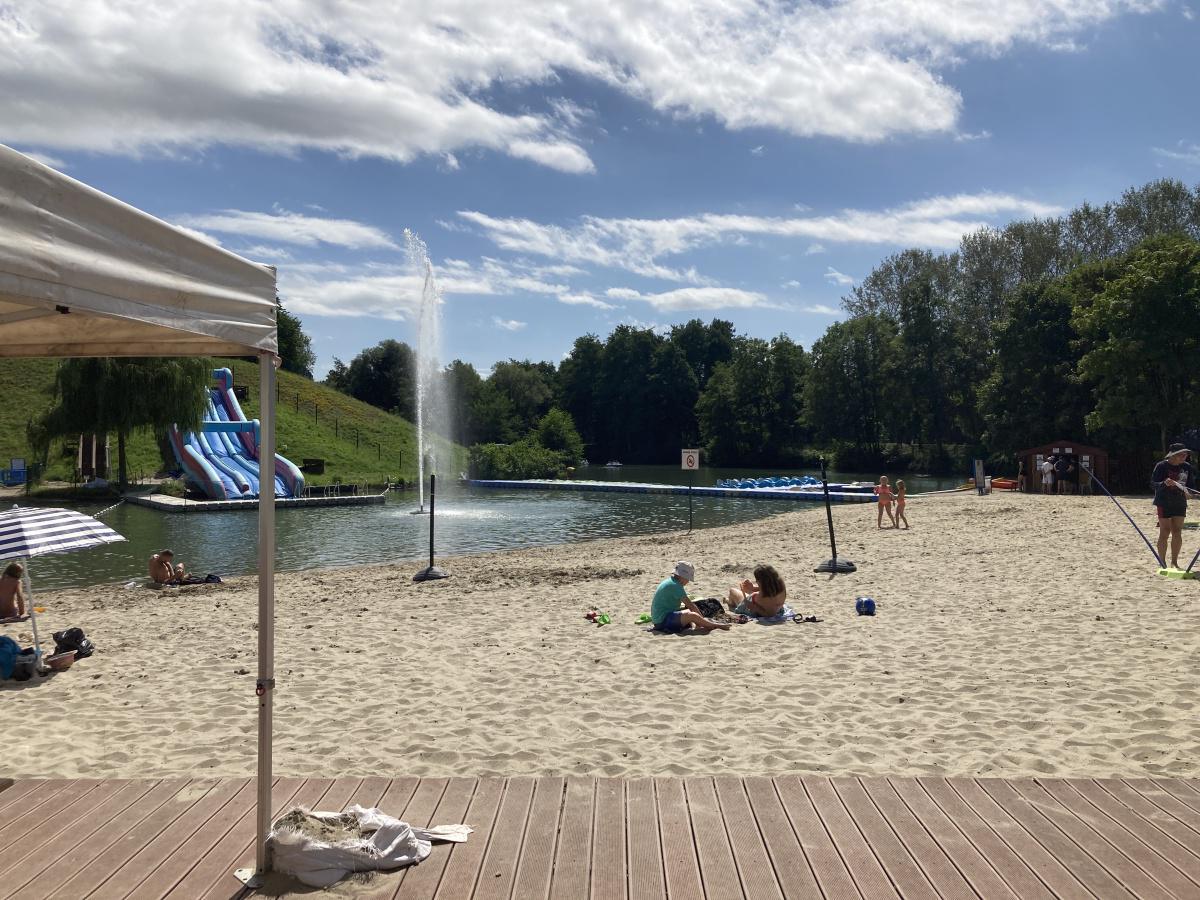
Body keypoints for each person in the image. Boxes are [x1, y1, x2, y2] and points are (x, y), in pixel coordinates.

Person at [651, 561, 730, 634]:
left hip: (659, 619)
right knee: (693, 615)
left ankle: (699, 625)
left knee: (690, 612)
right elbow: (691, 605)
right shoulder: (675, 586)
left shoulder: (670, 581)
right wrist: (702, 618)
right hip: (662, 621)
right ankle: (713, 625)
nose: (688, 582)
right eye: (688, 579)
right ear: (683, 576)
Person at [1152, 443, 1194, 569]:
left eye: (1185, 453)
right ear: (1173, 455)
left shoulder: (1187, 467)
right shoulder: (1161, 466)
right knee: (1165, 531)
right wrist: (1164, 483)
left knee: (1177, 531)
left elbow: (1191, 486)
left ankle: (1174, 562)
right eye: (1182, 454)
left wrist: (1190, 493)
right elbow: (1153, 484)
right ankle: (1162, 561)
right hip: (1163, 502)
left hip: (1180, 502)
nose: (1184, 456)